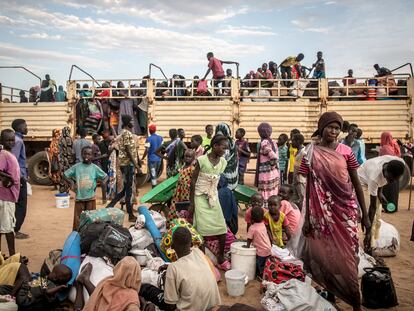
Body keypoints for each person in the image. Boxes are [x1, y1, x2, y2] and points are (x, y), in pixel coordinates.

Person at [298, 111, 370, 311]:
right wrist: (306, 219)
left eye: (337, 128)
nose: (334, 131)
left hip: (345, 211)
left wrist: (365, 215)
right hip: (320, 214)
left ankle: (354, 299)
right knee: (325, 254)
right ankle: (331, 292)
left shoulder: (346, 151)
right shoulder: (310, 153)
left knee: (348, 256)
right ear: (322, 128)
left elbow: (356, 183)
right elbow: (305, 184)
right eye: (330, 127)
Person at [140, 227, 221, 311]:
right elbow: (188, 265)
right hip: (211, 306)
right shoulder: (198, 253)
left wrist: (167, 280)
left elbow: (170, 306)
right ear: (191, 244)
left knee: (148, 289)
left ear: (172, 246)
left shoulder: (173, 269)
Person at [189, 134, 230, 270]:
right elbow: (193, 181)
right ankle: (201, 259)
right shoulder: (201, 160)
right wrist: (192, 203)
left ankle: (220, 257)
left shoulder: (223, 162)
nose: (225, 150)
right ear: (215, 146)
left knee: (222, 229)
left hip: (213, 198)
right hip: (200, 197)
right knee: (201, 230)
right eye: (223, 148)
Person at [358, 156, 405, 249]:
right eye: (390, 179)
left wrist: (379, 192)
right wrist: (368, 231)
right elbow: (372, 207)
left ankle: (373, 243)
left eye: (395, 180)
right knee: (368, 215)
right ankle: (368, 241)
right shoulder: (374, 177)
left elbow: (382, 180)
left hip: (374, 180)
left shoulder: (400, 163)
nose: (391, 182)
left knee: (377, 217)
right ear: (386, 170)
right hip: (362, 181)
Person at [106, 115, 141, 222]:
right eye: (131, 120)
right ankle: (130, 215)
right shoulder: (126, 134)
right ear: (127, 123)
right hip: (127, 165)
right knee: (128, 191)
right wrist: (136, 165)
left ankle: (110, 206)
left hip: (126, 165)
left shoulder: (124, 133)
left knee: (126, 189)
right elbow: (128, 150)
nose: (133, 122)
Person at [63, 146, 107, 230]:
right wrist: (71, 183)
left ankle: (88, 235)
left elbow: (105, 176)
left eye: (89, 154)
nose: (87, 156)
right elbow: (65, 175)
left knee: (91, 218)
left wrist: (103, 182)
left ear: (92, 156)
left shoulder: (94, 168)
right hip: (80, 198)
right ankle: (77, 234)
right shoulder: (77, 167)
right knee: (78, 219)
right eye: (85, 154)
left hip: (91, 198)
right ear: (81, 155)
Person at [0, 130, 20, 256]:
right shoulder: (3, 154)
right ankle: (13, 255)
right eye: (8, 140)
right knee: (8, 228)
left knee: (3, 227)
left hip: (9, 196)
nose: (11, 142)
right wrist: (9, 179)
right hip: (5, 196)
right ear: (2, 141)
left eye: (12, 140)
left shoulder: (9, 154)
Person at [11, 119, 29, 240]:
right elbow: (14, 161)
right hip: (19, 177)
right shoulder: (18, 141)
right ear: (19, 128)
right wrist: (20, 178)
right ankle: (15, 229)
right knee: (21, 204)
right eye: (25, 126)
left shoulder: (17, 140)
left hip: (18, 176)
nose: (27, 128)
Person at [167, 149, 196, 224]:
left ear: (193, 158)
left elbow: (193, 181)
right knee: (175, 207)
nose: (187, 158)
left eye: (189, 157)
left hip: (187, 192)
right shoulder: (182, 166)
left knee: (184, 209)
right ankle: (172, 223)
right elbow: (177, 173)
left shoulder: (192, 168)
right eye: (186, 156)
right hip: (178, 191)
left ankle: (184, 224)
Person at [255, 123, 279, 206]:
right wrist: (274, 167)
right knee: (273, 191)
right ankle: (273, 207)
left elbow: (274, 157)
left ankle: (266, 209)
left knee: (265, 192)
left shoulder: (264, 142)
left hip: (266, 173)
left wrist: (271, 166)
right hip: (274, 172)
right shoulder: (273, 142)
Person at [244, 206, 272, 278]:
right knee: (266, 263)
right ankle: (267, 273)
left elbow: (249, 239)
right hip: (268, 248)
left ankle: (260, 274)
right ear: (263, 218)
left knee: (260, 264)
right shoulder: (263, 225)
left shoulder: (252, 228)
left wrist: (247, 246)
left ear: (251, 218)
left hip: (261, 251)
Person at [215, 123, 239, 190]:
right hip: (233, 172)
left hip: (227, 173)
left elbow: (222, 159)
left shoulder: (226, 143)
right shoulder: (231, 141)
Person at [58, 127, 75, 194]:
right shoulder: (70, 139)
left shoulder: (60, 139)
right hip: (69, 161)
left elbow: (59, 151)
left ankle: (62, 191)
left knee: (62, 176)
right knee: (68, 176)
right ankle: (67, 191)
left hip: (62, 161)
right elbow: (72, 151)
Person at [291, 133, 306, 210]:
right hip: (297, 179)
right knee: (296, 198)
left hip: (301, 180)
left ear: (298, 141)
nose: (291, 142)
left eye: (293, 140)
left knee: (302, 199)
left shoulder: (304, 152)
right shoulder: (299, 151)